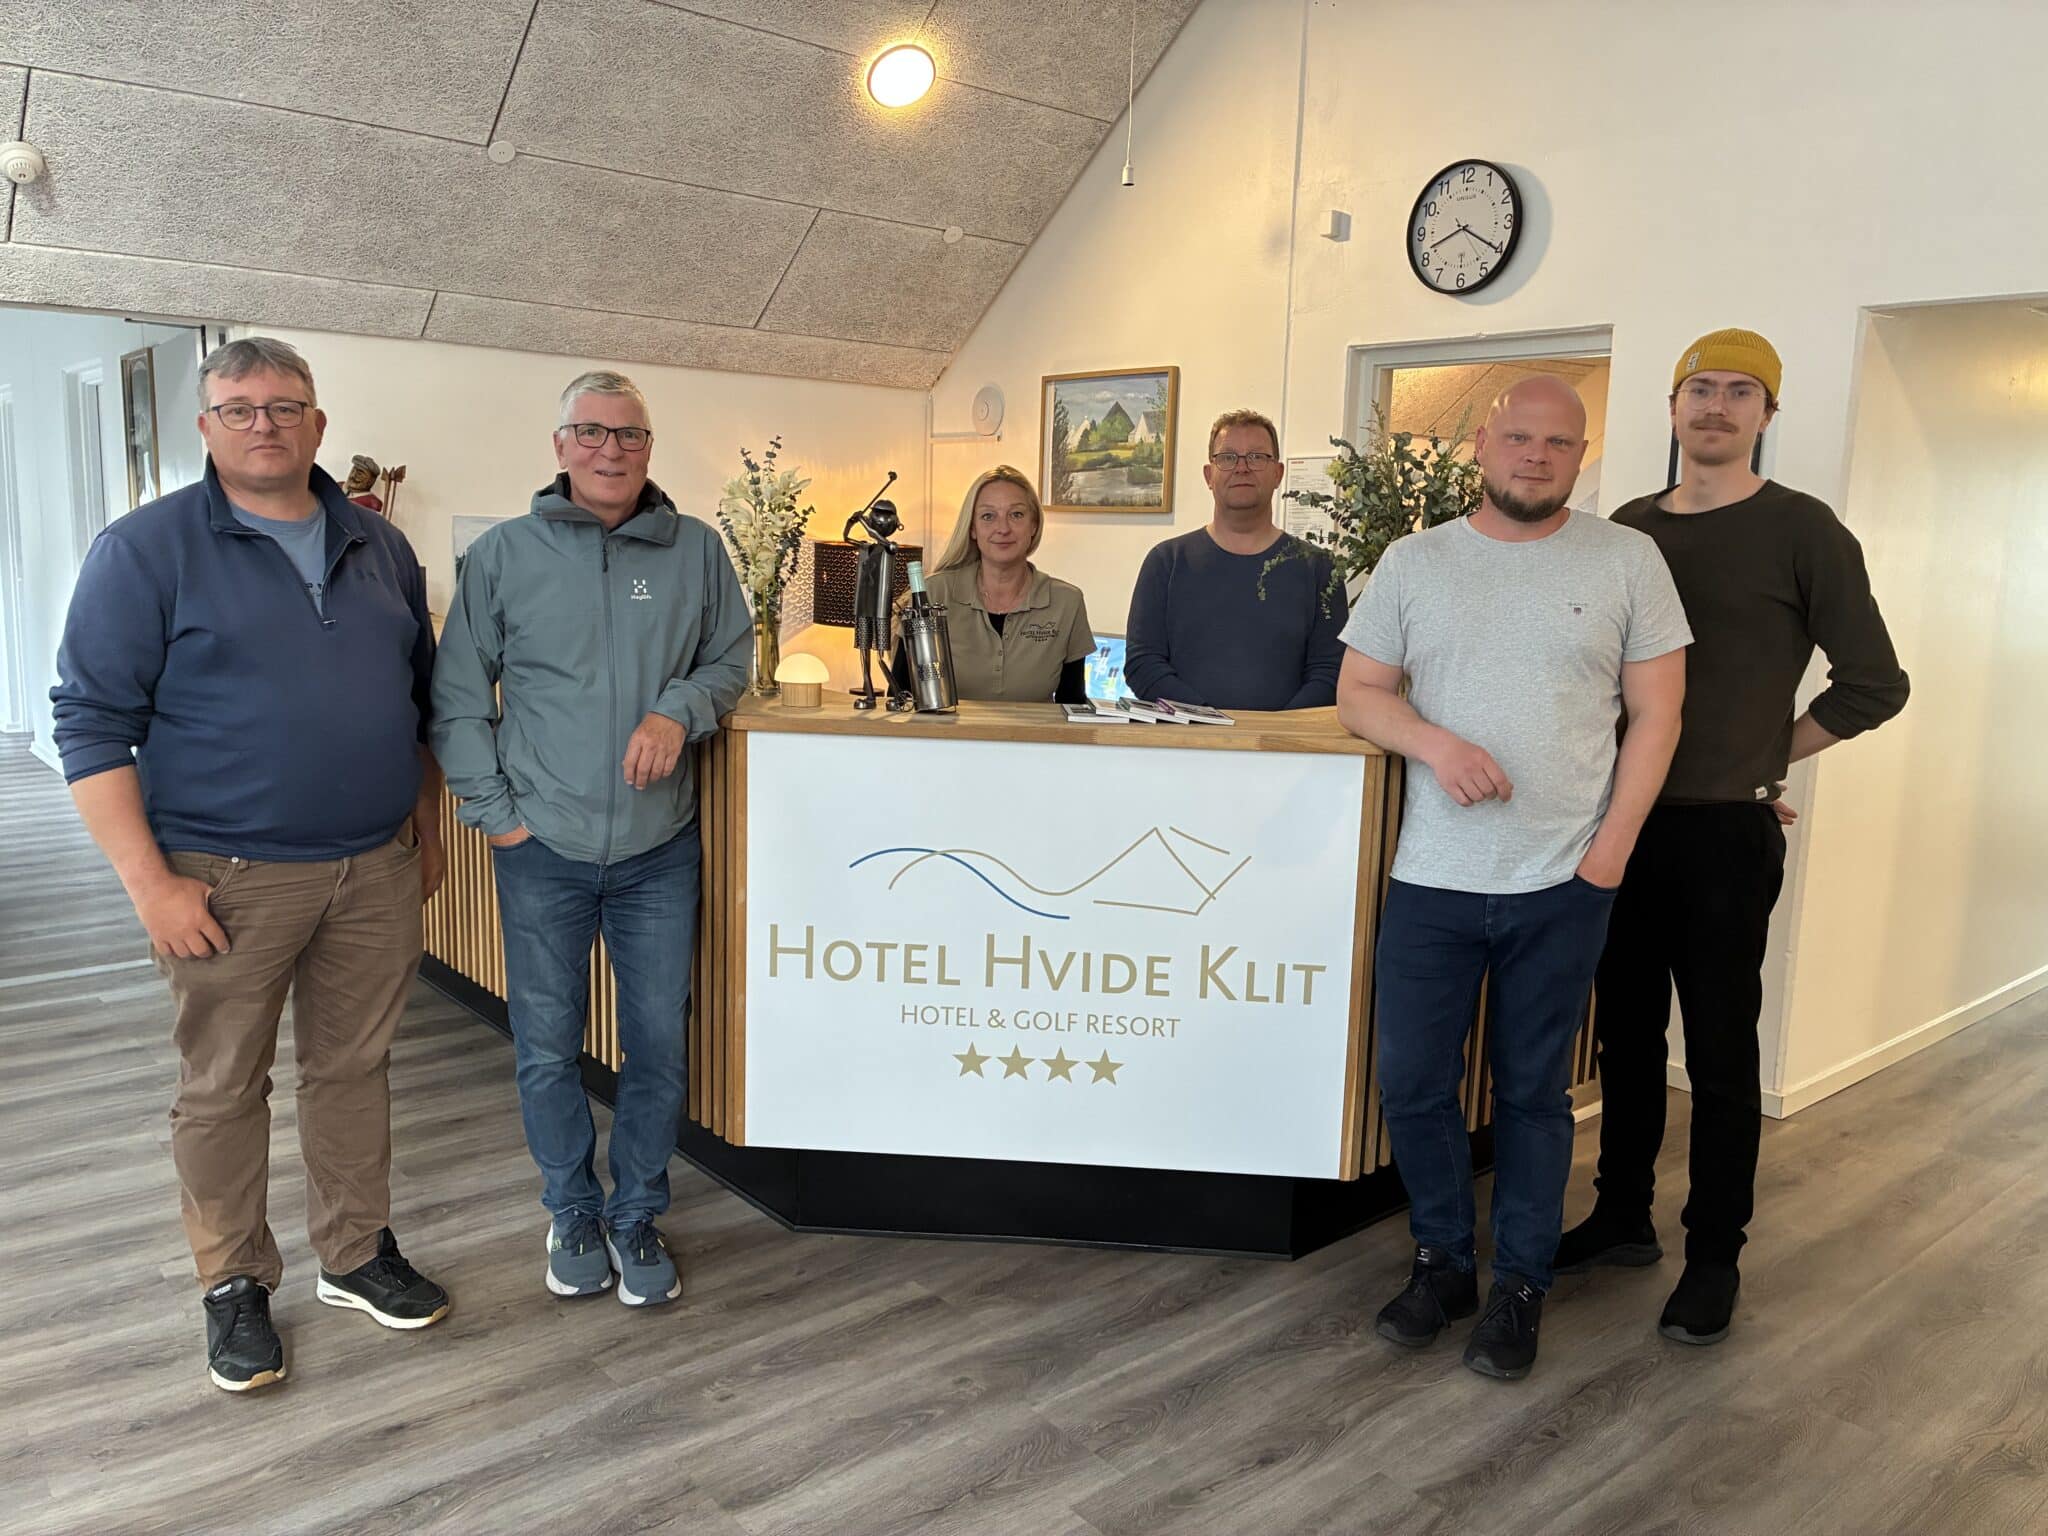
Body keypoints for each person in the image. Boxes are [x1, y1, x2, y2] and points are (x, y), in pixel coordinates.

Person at [51, 336, 450, 1394]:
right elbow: (89, 724)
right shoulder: (145, 550)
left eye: (284, 406)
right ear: (206, 425)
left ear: (318, 423)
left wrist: (423, 824)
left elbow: (418, 704)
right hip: (223, 876)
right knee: (223, 1085)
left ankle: (354, 1253)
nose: (263, 424)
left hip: (373, 867)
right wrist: (150, 885)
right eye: (239, 408)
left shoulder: (378, 545)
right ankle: (233, 1279)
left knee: (353, 1070)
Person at [1336, 376, 1691, 1380]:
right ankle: (1444, 1260)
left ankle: (1520, 1284)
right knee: (1413, 1080)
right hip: (1432, 876)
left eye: (1559, 442)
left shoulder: (1627, 560)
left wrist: (1609, 851)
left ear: (1579, 456)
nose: (1536, 455)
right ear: (1483, 447)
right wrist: (1435, 743)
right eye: (1520, 438)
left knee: (1533, 1092)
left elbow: (1657, 714)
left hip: (1563, 880)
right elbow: (1359, 691)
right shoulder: (1415, 562)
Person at [1558, 330, 1909, 1344]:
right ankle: (1622, 1216)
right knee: (1624, 1040)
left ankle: (1714, 1255)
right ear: (1672, 406)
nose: (1715, 406)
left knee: (1717, 1052)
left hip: (1722, 839)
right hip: (1616, 827)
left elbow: (1873, 684)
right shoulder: (1626, 530)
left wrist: (1762, 760)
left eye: (1739, 392)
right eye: (1699, 388)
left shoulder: (1802, 530)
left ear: (1766, 414)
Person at [432, 370, 750, 1309]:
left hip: (659, 851)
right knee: (546, 1046)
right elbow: (458, 697)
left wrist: (677, 709)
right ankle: (571, 1209)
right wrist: (497, 814)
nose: (612, 450)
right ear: (561, 445)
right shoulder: (503, 554)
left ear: (650, 447)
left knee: (657, 1046)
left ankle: (636, 1211)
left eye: (630, 435)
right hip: (543, 850)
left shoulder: (696, 550)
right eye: (592, 432)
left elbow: (732, 658)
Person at [1125, 409, 1345, 709]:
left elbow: (1330, 672)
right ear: (1209, 475)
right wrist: (1209, 723)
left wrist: (1274, 731)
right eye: (1227, 457)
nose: (1242, 467)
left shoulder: (1319, 568)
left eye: (1256, 457)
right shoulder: (1166, 562)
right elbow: (1143, 665)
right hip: (1187, 736)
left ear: (1278, 473)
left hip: (1287, 739)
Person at [893, 466, 1093, 703]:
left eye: (1016, 514)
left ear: (1034, 525)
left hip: (1037, 730)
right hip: (947, 729)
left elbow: (1072, 704)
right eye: (988, 516)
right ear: (972, 528)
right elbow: (900, 697)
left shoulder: (1067, 602)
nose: (1003, 528)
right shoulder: (932, 593)